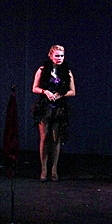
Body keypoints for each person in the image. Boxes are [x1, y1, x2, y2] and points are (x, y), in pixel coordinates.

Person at [31, 45, 76, 182]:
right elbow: (35, 88)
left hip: (59, 108)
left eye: (62, 56)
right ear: (50, 56)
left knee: (56, 138)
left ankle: (54, 169)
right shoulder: (42, 70)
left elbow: (72, 91)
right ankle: (44, 168)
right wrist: (46, 91)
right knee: (44, 138)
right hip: (45, 107)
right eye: (57, 55)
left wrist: (61, 94)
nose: (59, 58)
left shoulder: (67, 72)